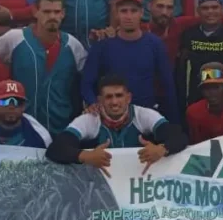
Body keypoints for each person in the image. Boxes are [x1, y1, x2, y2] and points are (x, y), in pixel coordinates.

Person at [0, 0, 87, 135]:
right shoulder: (14, 38)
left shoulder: (73, 45)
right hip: (21, 126)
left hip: (60, 125)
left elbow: (89, 78)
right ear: (35, 12)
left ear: (63, 14)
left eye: (56, 12)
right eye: (46, 12)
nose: (52, 16)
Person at [48, 74, 187, 174]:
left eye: (119, 96)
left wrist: (162, 149)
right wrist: (85, 156)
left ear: (128, 98)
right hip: (101, 189)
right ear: (100, 100)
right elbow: (55, 149)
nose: (114, 102)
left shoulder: (144, 115)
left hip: (139, 184)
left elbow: (180, 137)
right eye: (108, 97)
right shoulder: (90, 119)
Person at [81, 0, 180, 123]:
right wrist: (92, 103)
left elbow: (168, 86)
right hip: (111, 119)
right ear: (116, 13)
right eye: (124, 11)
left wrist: (174, 124)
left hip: (147, 117)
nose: (129, 16)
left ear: (141, 13)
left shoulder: (155, 44)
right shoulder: (102, 46)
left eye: (133, 11)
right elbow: (86, 83)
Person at [143, 0, 223, 64]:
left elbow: (210, 17)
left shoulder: (179, 24)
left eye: (169, 7)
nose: (164, 12)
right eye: (160, 6)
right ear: (149, 6)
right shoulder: (139, 29)